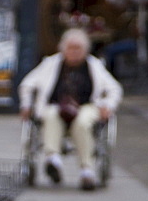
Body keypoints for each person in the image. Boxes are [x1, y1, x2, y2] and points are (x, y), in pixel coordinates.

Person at [18, 28, 123, 190]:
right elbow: (27, 84)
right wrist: (26, 104)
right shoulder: (50, 63)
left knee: (82, 121)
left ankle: (87, 170)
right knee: (51, 115)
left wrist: (108, 106)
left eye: (78, 48)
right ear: (63, 48)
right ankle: (53, 158)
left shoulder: (94, 65)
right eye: (70, 48)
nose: (74, 52)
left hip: (87, 106)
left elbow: (114, 89)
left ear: (85, 50)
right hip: (55, 105)